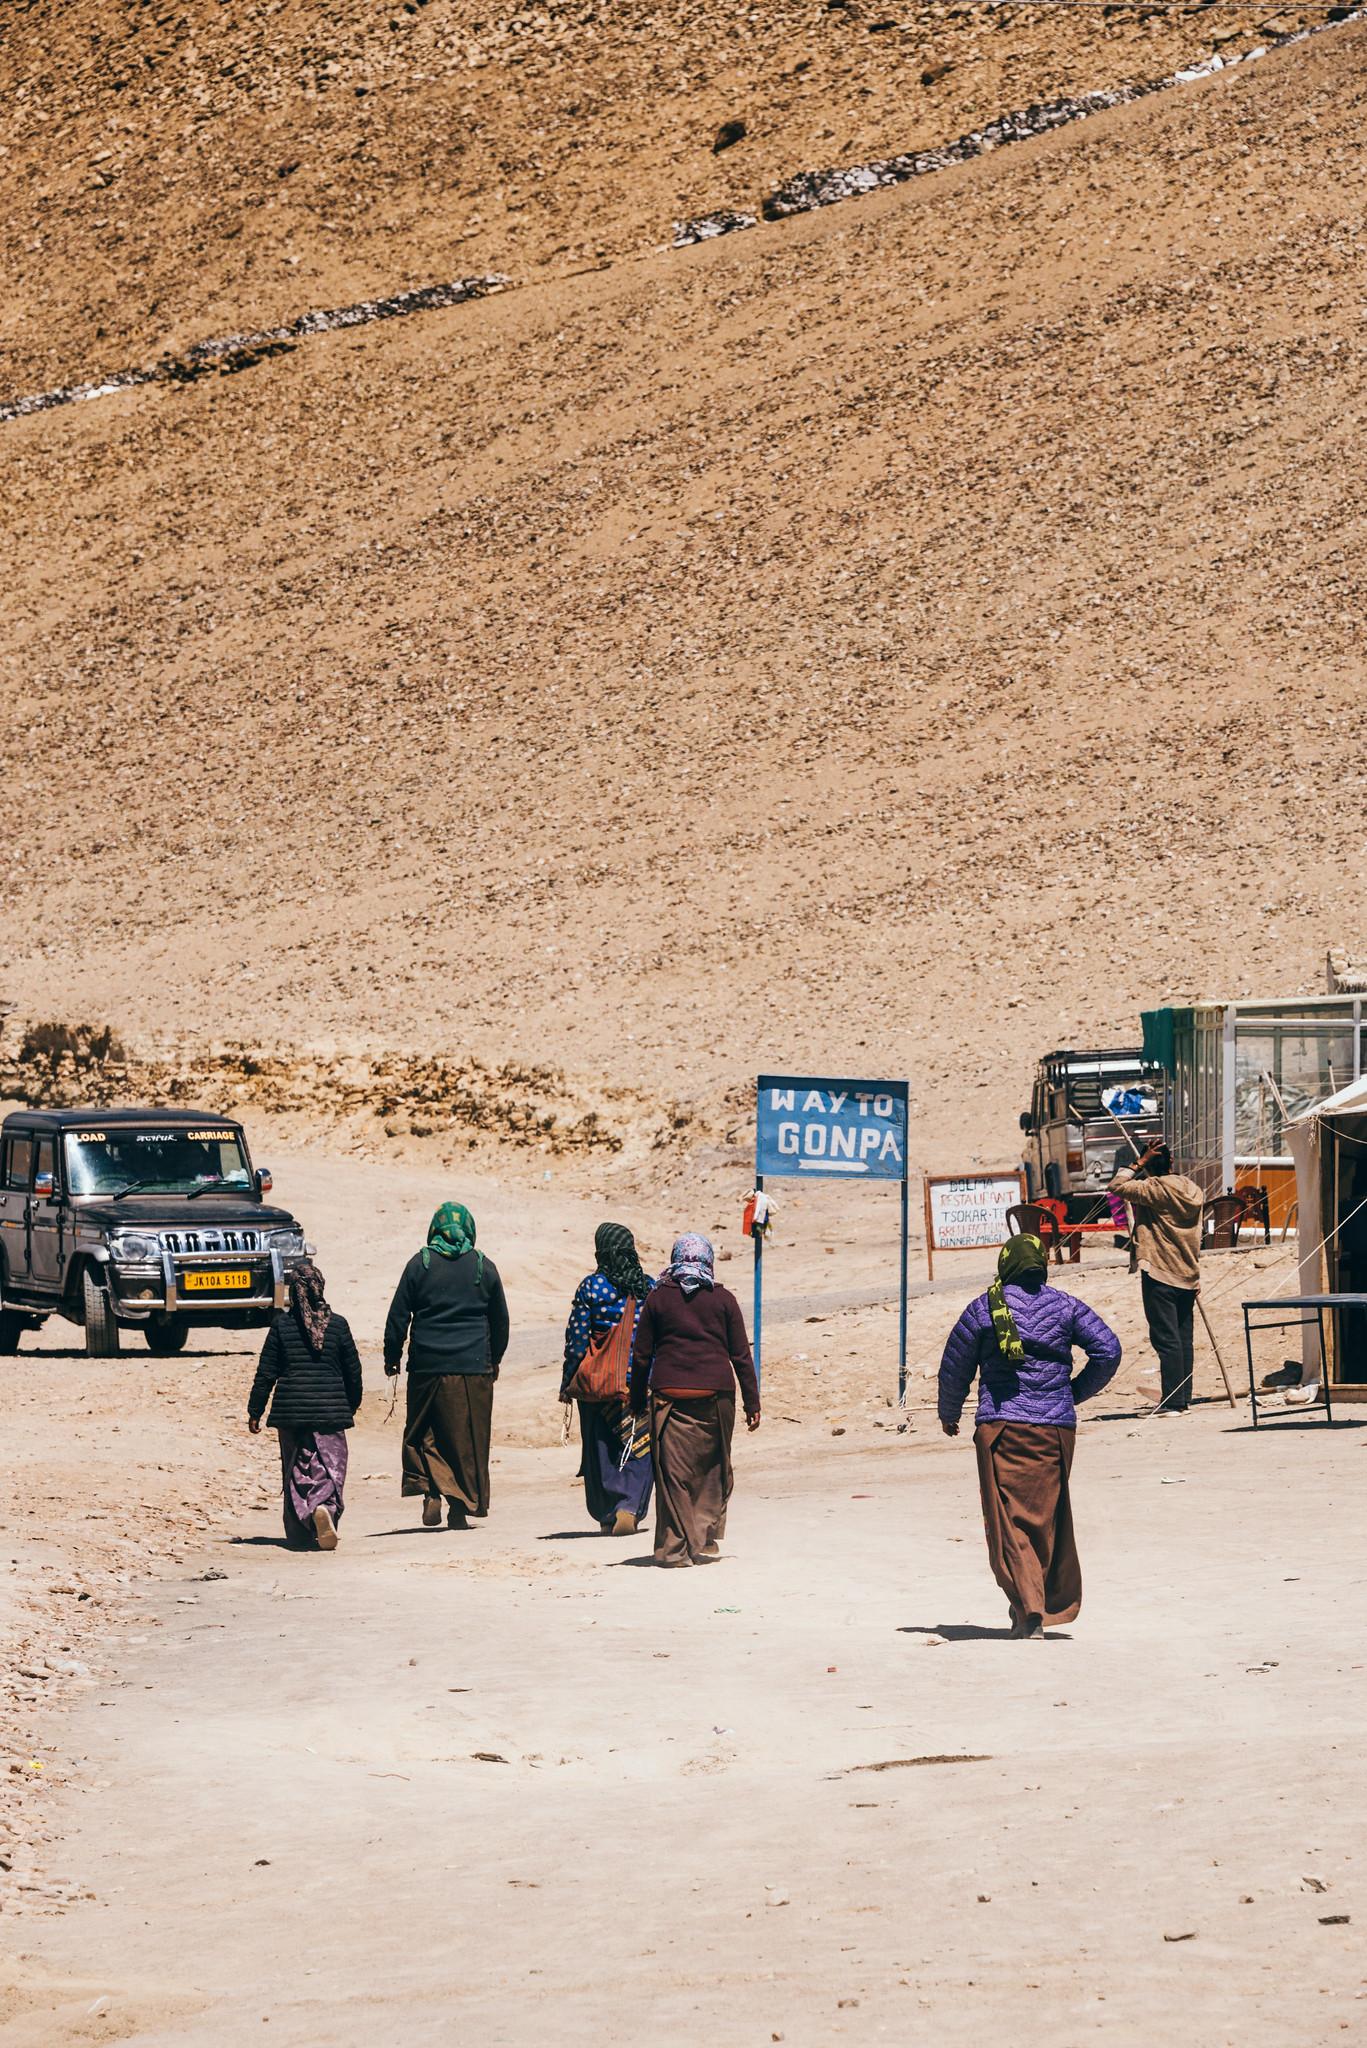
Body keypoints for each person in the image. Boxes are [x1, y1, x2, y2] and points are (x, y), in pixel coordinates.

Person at [938, 1234, 1120, 1638]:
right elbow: (1108, 1350)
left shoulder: (983, 1308)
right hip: (1055, 1431)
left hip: (1003, 1429)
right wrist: (1072, 1393)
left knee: (1011, 1523)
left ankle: (1029, 1610)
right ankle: (1039, 1605)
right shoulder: (1066, 1306)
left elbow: (955, 1367)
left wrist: (948, 1413)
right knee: (1045, 1519)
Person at [628, 1233, 759, 1567]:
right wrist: (752, 1404)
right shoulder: (724, 1299)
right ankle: (704, 1536)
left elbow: (641, 1356)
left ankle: (674, 1549)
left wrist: (636, 1400)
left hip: (668, 1399)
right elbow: (741, 1356)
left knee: (672, 1478)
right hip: (716, 1399)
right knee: (713, 1469)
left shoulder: (658, 1298)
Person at [383, 1202, 509, 1529]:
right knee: (466, 1439)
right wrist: (494, 1359)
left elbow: (398, 1316)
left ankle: (430, 1490)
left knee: (425, 1431)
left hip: (426, 1365)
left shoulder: (419, 1265)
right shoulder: (484, 1267)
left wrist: (392, 1357)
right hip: (473, 1367)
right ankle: (459, 1506)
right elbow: (501, 1322)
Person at [248, 1259, 362, 1552]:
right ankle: (324, 1507)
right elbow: (353, 1372)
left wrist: (255, 1410)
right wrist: (348, 1405)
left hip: (291, 1413)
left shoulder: (282, 1326)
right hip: (330, 1412)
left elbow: (266, 1372)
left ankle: (301, 1530)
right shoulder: (338, 1326)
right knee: (330, 1467)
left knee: (297, 1469)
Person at [560, 1223, 656, 1535]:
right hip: (639, 1381)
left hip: (598, 1384)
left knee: (600, 1447)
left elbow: (577, 1338)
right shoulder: (648, 1286)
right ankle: (629, 1505)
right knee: (639, 1444)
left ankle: (607, 1513)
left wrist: (569, 1380)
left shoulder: (592, 1287)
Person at [1109, 1138, 1204, 1413]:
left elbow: (1116, 1187)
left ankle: (1173, 1401)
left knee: (1167, 1338)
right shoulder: (1192, 1189)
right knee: (1183, 1338)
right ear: (1172, 1162)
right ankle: (1182, 1396)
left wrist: (1138, 1163)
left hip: (1161, 1271)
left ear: (1150, 1166)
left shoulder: (1154, 1188)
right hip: (1188, 1271)